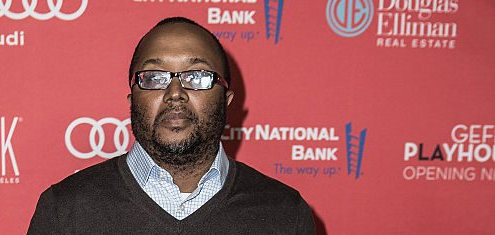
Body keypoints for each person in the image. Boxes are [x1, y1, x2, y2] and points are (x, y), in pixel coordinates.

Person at [28, 17, 315, 234]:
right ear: (132, 98)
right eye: (154, 78)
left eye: (197, 76)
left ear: (226, 99)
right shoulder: (65, 211)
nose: (174, 93)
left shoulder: (285, 214)